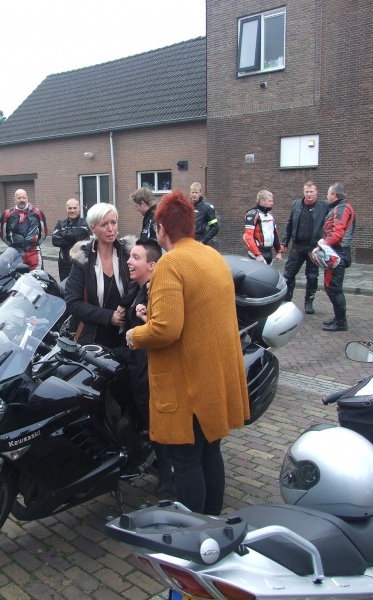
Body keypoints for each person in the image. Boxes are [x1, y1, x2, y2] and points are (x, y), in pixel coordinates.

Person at [126, 190, 250, 516]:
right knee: (210, 452)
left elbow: (165, 330)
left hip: (188, 386)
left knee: (185, 460)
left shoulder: (170, 263)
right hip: (213, 379)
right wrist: (152, 317)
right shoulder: (213, 256)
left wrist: (134, 335)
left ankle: (195, 531)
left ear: (161, 229)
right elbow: (195, 315)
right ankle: (212, 521)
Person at [122, 238, 172, 494]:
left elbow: (162, 330)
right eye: (130, 256)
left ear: (152, 265)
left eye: (136, 257)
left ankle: (167, 474)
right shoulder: (137, 288)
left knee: (156, 421)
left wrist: (145, 318)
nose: (129, 262)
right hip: (137, 365)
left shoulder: (155, 292)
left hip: (150, 369)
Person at [65, 203, 131, 348]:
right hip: (93, 339)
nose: (111, 229)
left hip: (127, 338)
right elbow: (73, 302)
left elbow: (139, 289)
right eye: (104, 224)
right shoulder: (83, 259)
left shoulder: (128, 254)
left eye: (113, 222)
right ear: (93, 228)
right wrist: (109, 316)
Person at [282, 181, 330, 315]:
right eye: (307, 192)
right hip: (297, 246)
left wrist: (326, 243)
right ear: (303, 192)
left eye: (311, 192)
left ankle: (309, 302)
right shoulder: (296, 204)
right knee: (288, 274)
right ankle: (286, 300)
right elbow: (290, 224)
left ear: (316, 192)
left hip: (313, 248)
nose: (309, 194)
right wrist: (284, 242)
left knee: (312, 276)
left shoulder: (324, 206)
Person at [316, 182, 356, 332]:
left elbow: (338, 233)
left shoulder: (342, 208)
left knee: (334, 288)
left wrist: (322, 245)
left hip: (337, 252)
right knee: (330, 286)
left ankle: (341, 322)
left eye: (328, 193)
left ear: (334, 195)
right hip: (335, 251)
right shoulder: (340, 207)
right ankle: (338, 318)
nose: (326, 196)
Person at [0, 189, 48, 270]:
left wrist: (35, 243)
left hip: (33, 252)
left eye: (24, 198)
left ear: (27, 198)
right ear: (15, 199)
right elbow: (3, 234)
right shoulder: (7, 214)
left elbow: (44, 231)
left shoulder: (38, 213)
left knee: (36, 276)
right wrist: (13, 245)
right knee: (17, 276)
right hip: (16, 252)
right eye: (19, 198)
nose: (22, 200)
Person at [51, 198, 90, 281]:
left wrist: (63, 233)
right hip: (64, 263)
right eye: (70, 208)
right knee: (64, 286)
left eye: (75, 208)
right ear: (66, 209)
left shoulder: (85, 222)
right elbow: (55, 241)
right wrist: (74, 240)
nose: (72, 211)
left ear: (79, 209)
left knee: (81, 287)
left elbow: (80, 234)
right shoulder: (60, 223)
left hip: (81, 262)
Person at [243, 189, 282, 265]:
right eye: (269, 201)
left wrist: (279, 251)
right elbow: (247, 237)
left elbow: (275, 234)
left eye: (272, 201)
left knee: (269, 272)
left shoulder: (270, 215)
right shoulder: (252, 214)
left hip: (269, 252)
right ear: (262, 201)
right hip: (257, 253)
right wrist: (257, 254)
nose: (272, 203)